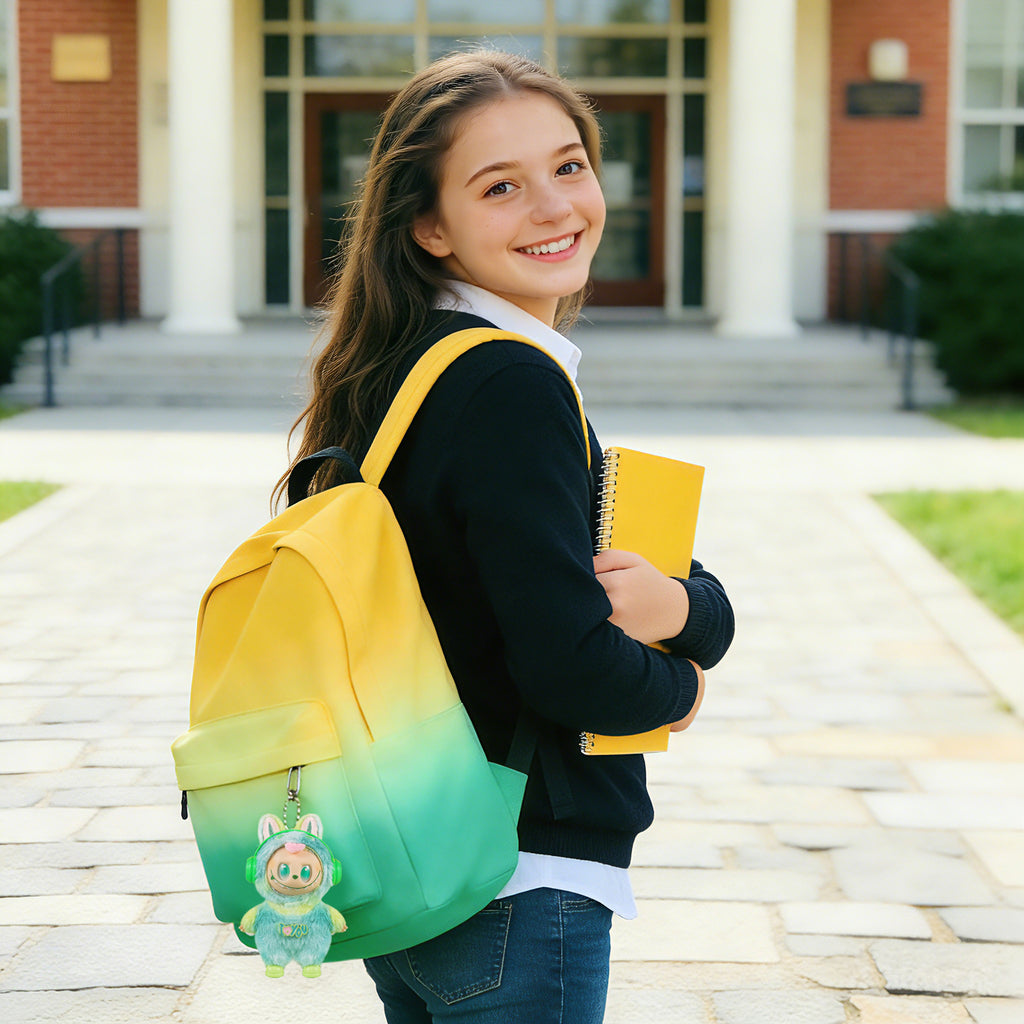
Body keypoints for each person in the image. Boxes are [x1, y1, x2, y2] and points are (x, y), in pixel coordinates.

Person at [279, 50, 734, 1024]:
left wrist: (690, 604)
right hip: (518, 879)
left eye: (569, 166)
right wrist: (685, 678)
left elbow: (532, 588)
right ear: (429, 226)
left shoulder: (394, 373)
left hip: (409, 866)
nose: (555, 207)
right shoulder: (509, 383)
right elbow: (569, 666)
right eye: (501, 186)